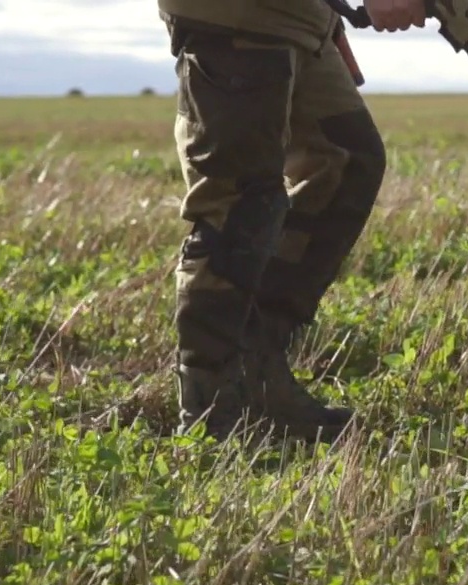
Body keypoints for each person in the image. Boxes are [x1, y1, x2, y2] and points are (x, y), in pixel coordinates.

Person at [156, 0, 431, 443]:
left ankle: (260, 374)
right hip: (233, 16)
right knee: (239, 204)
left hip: (300, 17)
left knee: (344, 164)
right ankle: (210, 414)